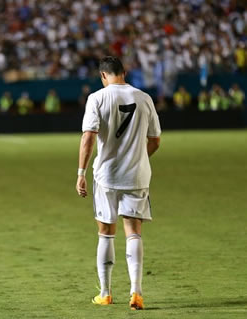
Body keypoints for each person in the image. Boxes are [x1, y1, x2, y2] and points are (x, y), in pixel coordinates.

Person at [76, 56, 161, 310]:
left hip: (107, 176)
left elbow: (88, 137)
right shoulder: (144, 98)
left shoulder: (97, 98)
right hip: (136, 176)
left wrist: (80, 172)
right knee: (133, 232)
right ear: (124, 72)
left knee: (106, 233)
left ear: (103, 76)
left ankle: (105, 293)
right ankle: (136, 293)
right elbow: (155, 140)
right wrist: (136, 158)